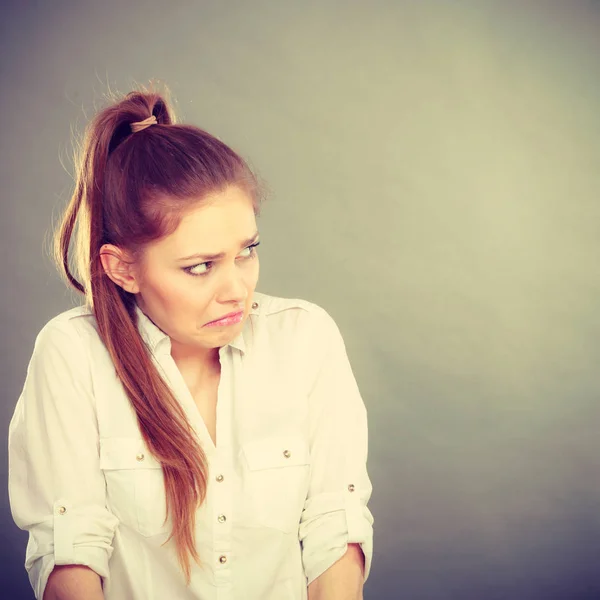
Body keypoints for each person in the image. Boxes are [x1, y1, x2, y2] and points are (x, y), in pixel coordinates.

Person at [8, 89, 374, 600]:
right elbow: (70, 552)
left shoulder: (305, 340)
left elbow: (335, 528)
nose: (236, 290)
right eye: (200, 266)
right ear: (123, 268)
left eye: (246, 252)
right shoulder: (72, 356)